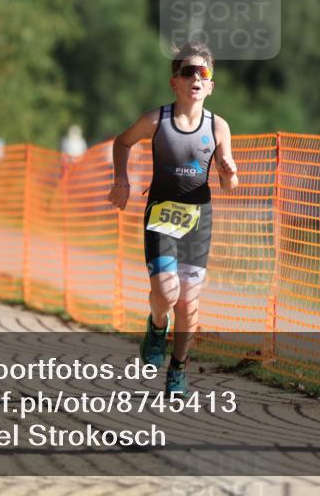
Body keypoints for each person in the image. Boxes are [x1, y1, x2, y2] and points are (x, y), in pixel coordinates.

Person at [108, 41, 238, 395]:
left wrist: (228, 171)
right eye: (188, 71)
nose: (196, 77)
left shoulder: (218, 127)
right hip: (163, 214)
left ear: (210, 85)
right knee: (166, 293)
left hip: (199, 220)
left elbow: (230, 184)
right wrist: (121, 178)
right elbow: (122, 142)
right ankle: (156, 325)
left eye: (203, 73)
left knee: (188, 302)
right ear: (174, 82)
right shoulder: (157, 120)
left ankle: (179, 367)